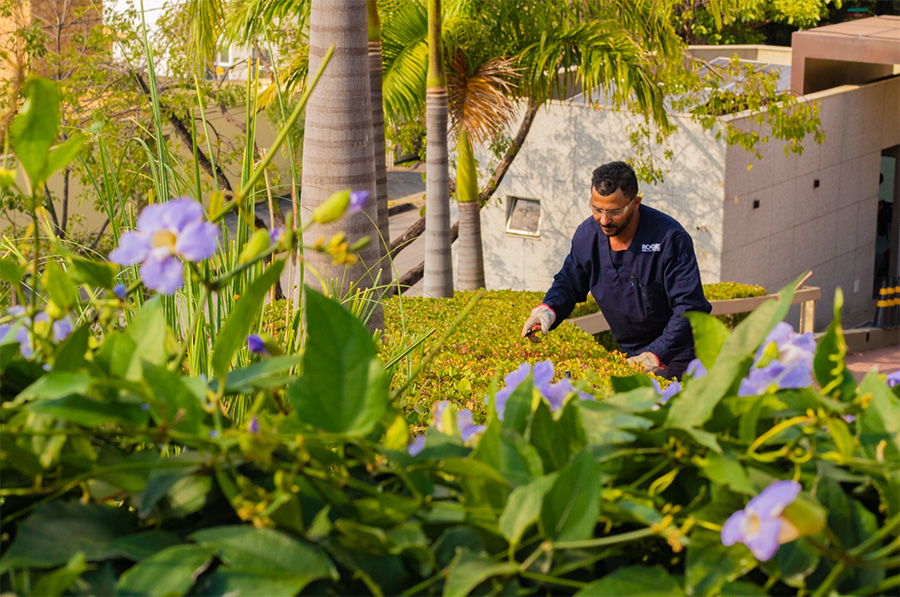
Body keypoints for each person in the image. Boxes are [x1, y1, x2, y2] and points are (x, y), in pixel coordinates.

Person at [521, 161, 711, 379]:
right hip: (630, 353)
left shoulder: (669, 238)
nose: (604, 220)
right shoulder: (587, 236)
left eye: (615, 211)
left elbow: (690, 306)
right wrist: (547, 311)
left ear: (636, 203)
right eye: (597, 209)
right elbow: (569, 283)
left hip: (679, 352)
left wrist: (657, 354)